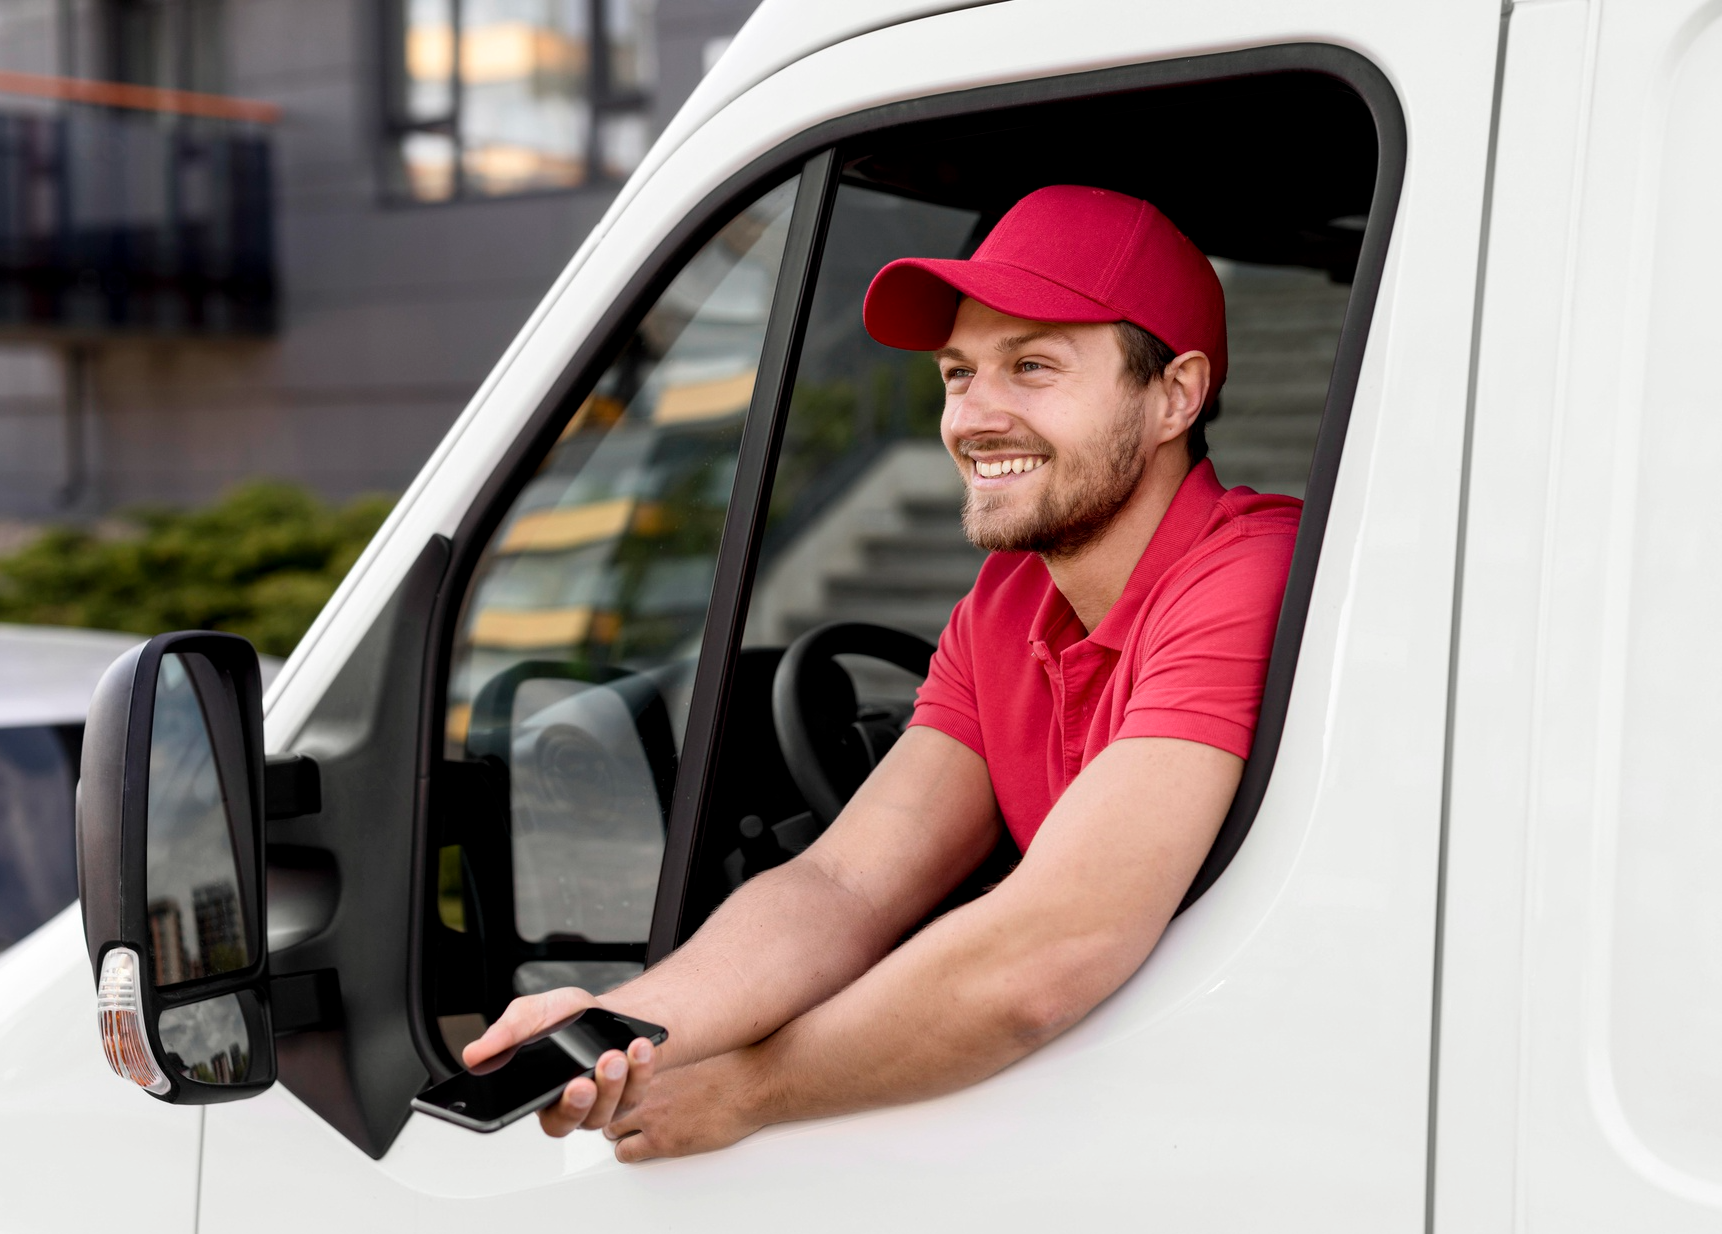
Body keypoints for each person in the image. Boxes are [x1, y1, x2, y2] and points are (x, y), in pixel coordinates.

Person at [463, 184, 1302, 1160]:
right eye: (957, 372)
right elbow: (842, 882)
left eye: (1031, 366)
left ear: (1174, 393)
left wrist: (753, 1090)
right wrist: (624, 1026)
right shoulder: (1005, 604)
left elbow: (1046, 952)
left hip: (1238, 1142)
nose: (974, 415)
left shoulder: (1250, 570)